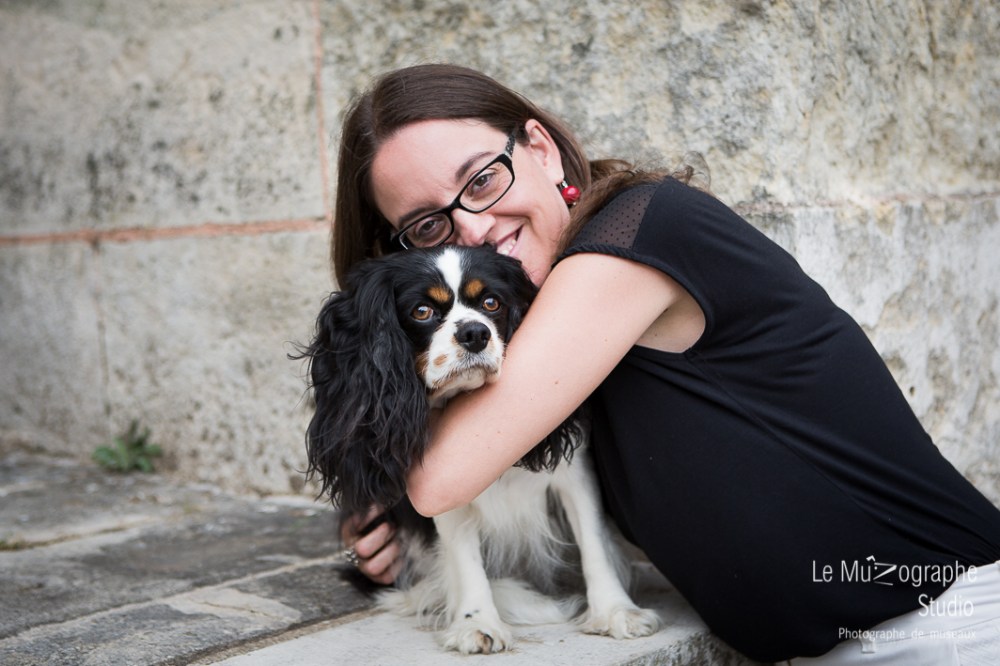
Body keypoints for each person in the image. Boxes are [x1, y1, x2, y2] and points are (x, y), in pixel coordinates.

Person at [328, 63, 1000, 663]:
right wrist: (397, 525)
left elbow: (442, 476)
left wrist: (408, 481)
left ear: (538, 147)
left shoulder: (640, 232)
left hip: (954, 621)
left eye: (481, 177)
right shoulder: (543, 323)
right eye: (427, 227)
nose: (471, 229)